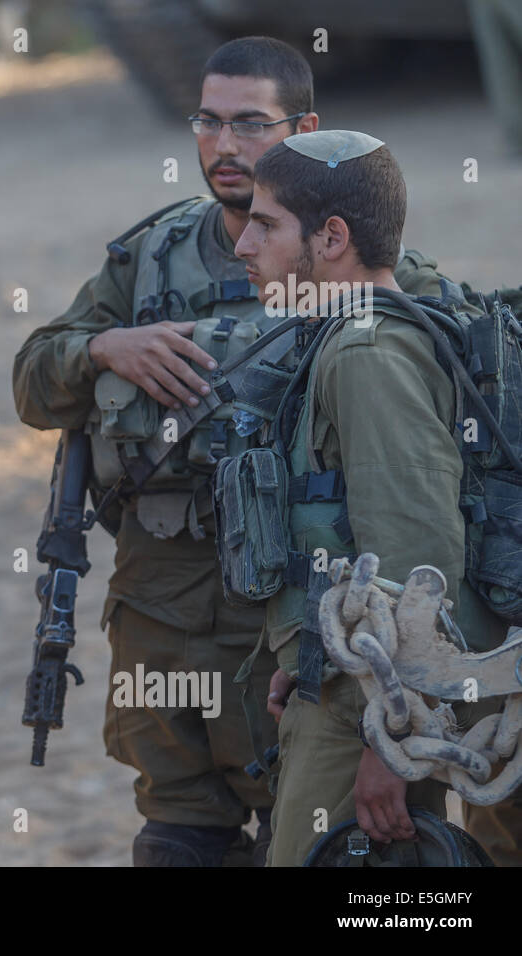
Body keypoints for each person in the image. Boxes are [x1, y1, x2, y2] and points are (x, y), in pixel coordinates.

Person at [12, 36, 448, 866]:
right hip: (164, 600)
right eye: (207, 120)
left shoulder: (356, 262)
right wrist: (106, 349)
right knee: (180, 829)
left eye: (250, 122)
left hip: (292, 603)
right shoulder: (149, 256)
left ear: (304, 127)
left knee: (314, 826)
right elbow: (33, 380)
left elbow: (422, 401)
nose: (223, 144)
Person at [231, 129, 511, 866]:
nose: (243, 246)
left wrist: (396, 741)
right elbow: (352, 539)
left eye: (266, 225)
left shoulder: (366, 352)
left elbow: (420, 560)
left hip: (378, 708)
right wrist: (308, 643)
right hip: (357, 684)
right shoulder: (351, 336)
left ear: (331, 237)